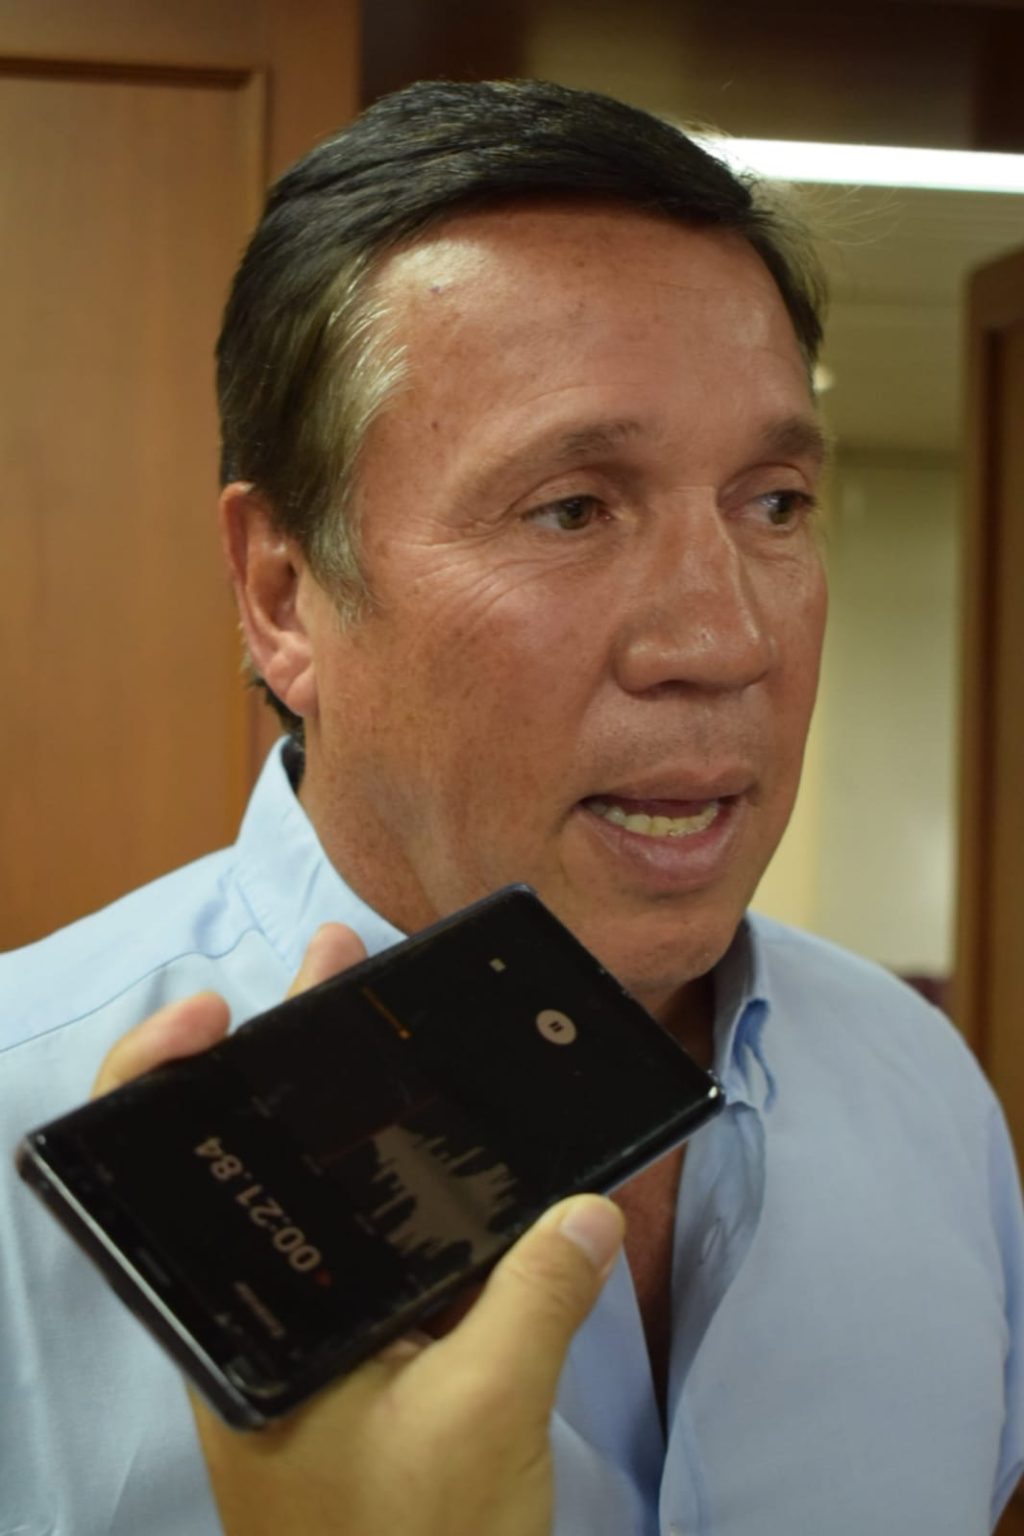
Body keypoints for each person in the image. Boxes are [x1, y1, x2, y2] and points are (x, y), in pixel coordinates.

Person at [1, 77, 1021, 1536]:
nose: (726, 641)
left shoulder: (923, 1090)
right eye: (572, 509)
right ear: (284, 595)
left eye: (774, 503)